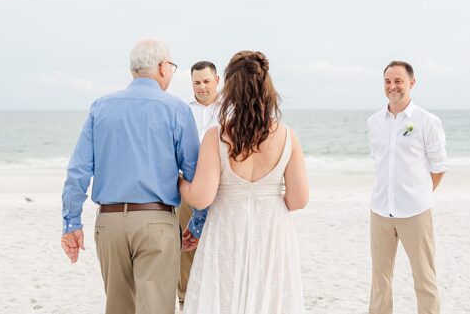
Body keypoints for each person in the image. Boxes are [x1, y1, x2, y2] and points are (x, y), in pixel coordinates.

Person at [60, 39, 201, 314]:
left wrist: (71, 223)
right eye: (171, 66)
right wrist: (197, 222)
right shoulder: (176, 109)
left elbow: (78, 170)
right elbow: (194, 173)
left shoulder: (101, 107)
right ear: (162, 68)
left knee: (118, 308)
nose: (171, 72)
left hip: (109, 223)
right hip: (157, 223)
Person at [180, 50, 309, 313]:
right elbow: (298, 200)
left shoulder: (217, 136)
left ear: (229, 89)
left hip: (228, 228)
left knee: (225, 298)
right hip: (271, 231)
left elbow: (202, 197)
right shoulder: (287, 136)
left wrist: (180, 181)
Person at [367, 61, 446, 314]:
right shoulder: (374, 122)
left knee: (424, 278)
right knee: (380, 280)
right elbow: (378, 162)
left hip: (415, 212)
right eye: (388, 81)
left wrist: (417, 193)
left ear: (412, 83)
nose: (393, 86)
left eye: (399, 81)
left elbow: (439, 167)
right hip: (380, 211)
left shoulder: (427, 121)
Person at [177, 60, 221, 309]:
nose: (202, 87)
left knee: (218, 246)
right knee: (185, 247)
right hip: (189, 187)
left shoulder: (231, 109)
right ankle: (185, 301)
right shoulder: (182, 110)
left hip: (221, 190)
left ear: (217, 80)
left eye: (206, 81)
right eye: (197, 82)